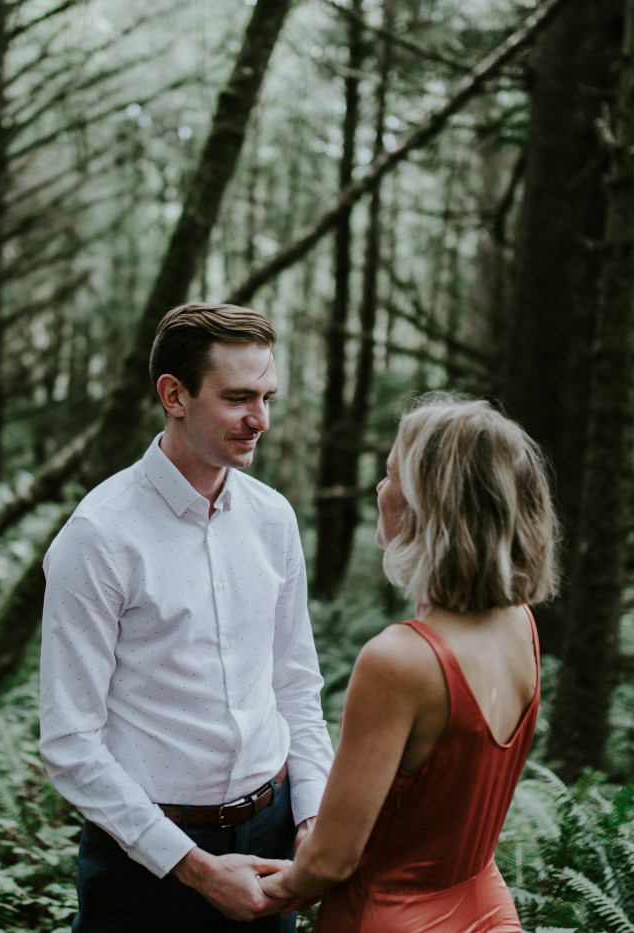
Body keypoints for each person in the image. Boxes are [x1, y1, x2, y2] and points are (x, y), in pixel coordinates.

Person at [39, 302, 334, 932]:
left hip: (272, 834)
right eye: (238, 398)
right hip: (143, 861)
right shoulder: (98, 536)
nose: (261, 419)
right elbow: (70, 744)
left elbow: (297, 689)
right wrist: (194, 867)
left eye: (267, 396)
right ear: (174, 395)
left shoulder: (274, 519)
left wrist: (313, 819)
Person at [259, 396, 560, 932]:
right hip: (489, 912)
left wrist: (269, 887)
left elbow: (331, 860)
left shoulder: (399, 660)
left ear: (428, 505)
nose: (381, 488)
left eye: (392, 473)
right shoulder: (520, 624)